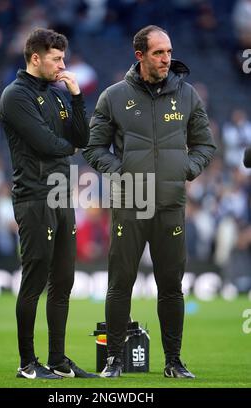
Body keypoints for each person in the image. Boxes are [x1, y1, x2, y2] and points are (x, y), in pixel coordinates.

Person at [83, 25, 216, 379]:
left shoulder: (188, 96)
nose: (166, 59)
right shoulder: (112, 96)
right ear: (139, 55)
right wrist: (121, 172)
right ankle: (113, 360)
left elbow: (206, 145)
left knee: (171, 285)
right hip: (130, 202)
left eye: (169, 52)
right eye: (159, 53)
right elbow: (94, 148)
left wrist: (186, 168)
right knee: (120, 282)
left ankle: (173, 361)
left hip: (171, 204)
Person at [0, 28, 97, 379]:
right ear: (35, 58)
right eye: (56, 58)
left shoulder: (57, 94)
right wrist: (68, 146)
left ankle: (58, 360)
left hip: (61, 194)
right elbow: (45, 144)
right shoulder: (15, 96)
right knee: (34, 279)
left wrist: (76, 97)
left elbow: (82, 138)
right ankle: (28, 363)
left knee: (63, 280)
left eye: (63, 58)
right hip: (34, 196)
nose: (63, 65)